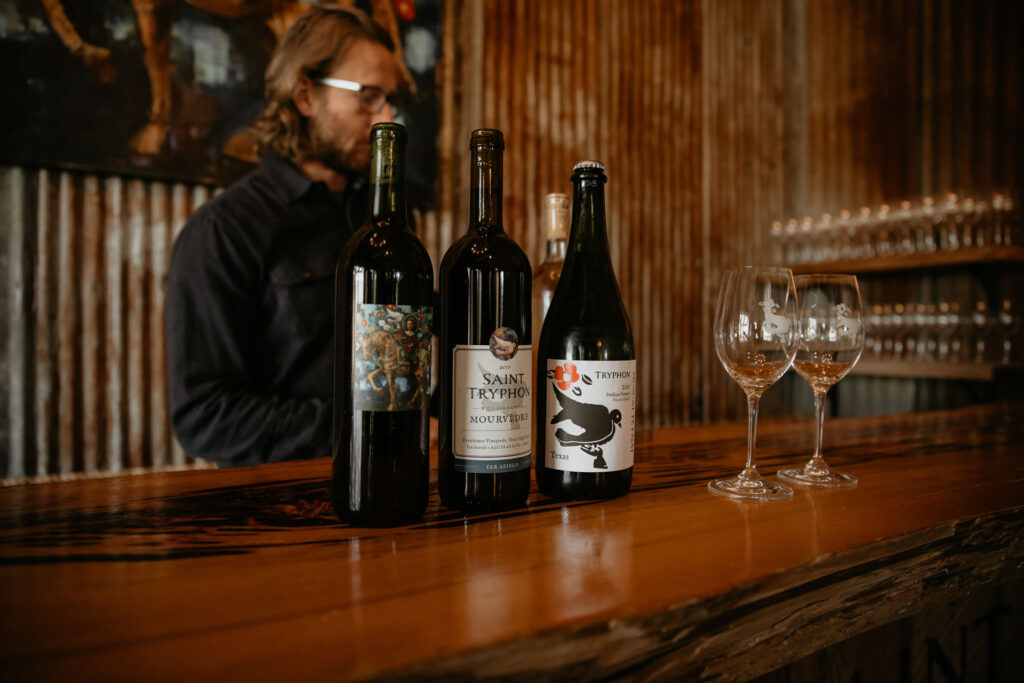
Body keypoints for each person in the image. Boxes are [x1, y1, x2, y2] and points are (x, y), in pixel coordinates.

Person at [165, 5, 412, 467]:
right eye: (368, 96)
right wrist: (365, 425)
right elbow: (205, 416)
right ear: (305, 96)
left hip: (396, 483)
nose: (386, 117)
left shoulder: (385, 221)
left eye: (390, 100)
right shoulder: (225, 230)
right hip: (281, 507)